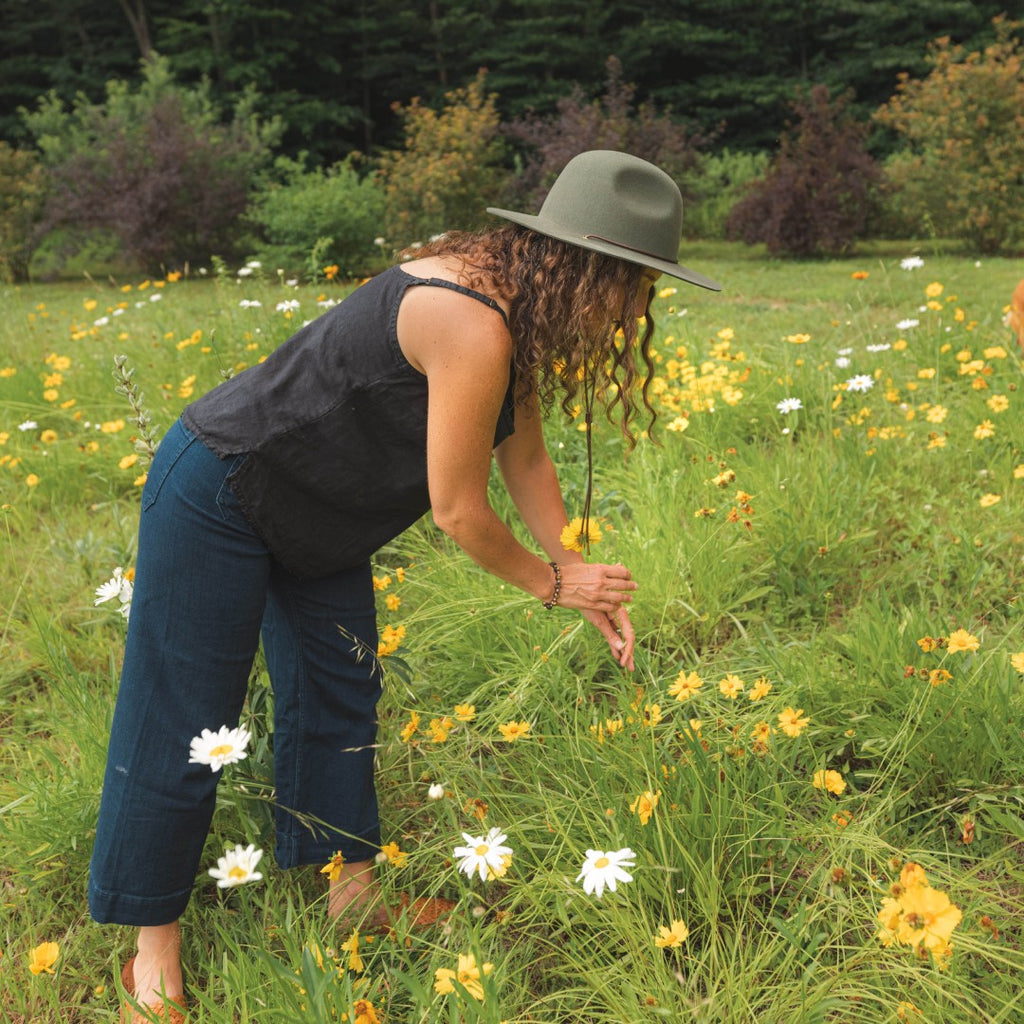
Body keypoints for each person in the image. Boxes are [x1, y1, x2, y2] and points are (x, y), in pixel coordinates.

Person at [88, 149, 720, 1022]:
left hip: (324, 514)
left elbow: (524, 456)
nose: (638, 307)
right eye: (636, 283)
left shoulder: (515, 308)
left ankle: (353, 896)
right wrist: (550, 586)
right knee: (190, 712)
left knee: (341, 689)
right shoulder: (471, 320)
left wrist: (575, 564)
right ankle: (151, 957)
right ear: (589, 267)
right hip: (224, 491)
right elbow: (459, 510)